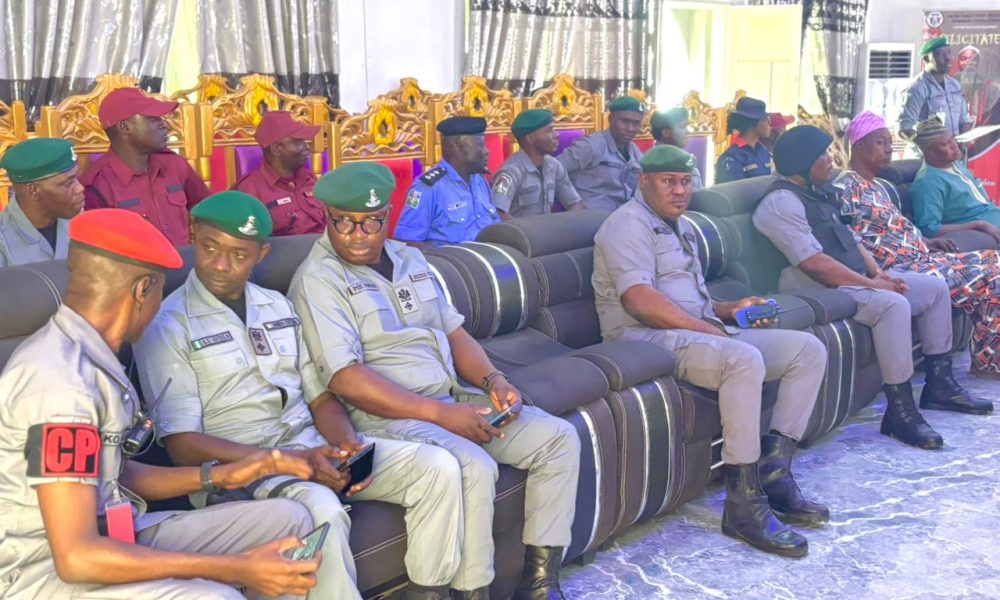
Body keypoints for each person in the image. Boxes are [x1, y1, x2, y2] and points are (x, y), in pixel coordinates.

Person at [133, 191, 465, 600]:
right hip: (241, 470)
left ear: (261, 254)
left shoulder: (277, 306)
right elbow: (182, 445)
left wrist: (347, 446)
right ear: (193, 237)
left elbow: (319, 397)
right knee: (322, 511)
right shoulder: (168, 324)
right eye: (209, 248)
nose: (220, 265)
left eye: (239, 255)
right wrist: (286, 461)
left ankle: (429, 593)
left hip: (311, 448)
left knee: (436, 467)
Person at [288, 163, 581, 600]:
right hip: (388, 417)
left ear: (388, 215)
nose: (357, 235)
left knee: (558, 438)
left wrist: (494, 379)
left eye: (371, 222)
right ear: (326, 217)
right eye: (343, 222)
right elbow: (345, 379)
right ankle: (472, 592)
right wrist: (441, 415)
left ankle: (539, 585)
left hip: (452, 398)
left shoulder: (410, 258)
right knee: (473, 466)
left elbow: (454, 332)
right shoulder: (317, 280)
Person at [0, 208, 322, 599]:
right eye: (159, 292)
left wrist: (221, 475)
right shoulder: (61, 386)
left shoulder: (94, 357)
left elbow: (112, 474)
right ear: (143, 290)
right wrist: (237, 569)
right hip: (45, 573)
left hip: (115, 532)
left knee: (288, 519)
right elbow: (76, 557)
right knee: (217, 597)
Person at [592, 144, 828, 558]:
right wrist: (712, 332)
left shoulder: (678, 224)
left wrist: (731, 310)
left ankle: (774, 473)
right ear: (643, 181)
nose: (680, 190)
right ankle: (743, 505)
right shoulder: (627, 225)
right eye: (668, 181)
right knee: (743, 358)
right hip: (642, 339)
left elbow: (689, 300)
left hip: (693, 332)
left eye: (686, 181)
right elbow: (640, 302)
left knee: (806, 350)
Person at [753, 125, 989, 450]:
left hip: (852, 278)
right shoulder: (781, 203)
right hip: (817, 287)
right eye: (822, 155)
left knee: (934, 288)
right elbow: (814, 264)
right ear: (802, 161)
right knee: (893, 304)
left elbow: (852, 241)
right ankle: (900, 412)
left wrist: (879, 275)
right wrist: (872, 285)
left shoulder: (819, 191)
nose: (830, 160)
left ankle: (940, 385)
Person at [836, 111, 1000, 383]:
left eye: (890, 142)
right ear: (860, 145)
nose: (889, 148)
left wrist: (924, 241)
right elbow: (850, 238)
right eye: (881, 142)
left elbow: (885, 231)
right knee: (994, 275)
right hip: (901, 271)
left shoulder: (876, 186)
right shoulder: (846, 187)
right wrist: (875, 273)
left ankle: (989, 358)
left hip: (922, 258)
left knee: (995, 262)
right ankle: (988, 364)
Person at [81, 87, 210, 246]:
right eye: (153, 119)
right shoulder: (97, 185)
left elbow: (209, 210)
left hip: (184, 260)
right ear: (124, 127)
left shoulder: (174, 165)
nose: (164, 125)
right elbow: (97, 249)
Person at [395, 116, 499, 246]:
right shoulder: (427, 188)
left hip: (487, 254)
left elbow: (494, 224)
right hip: (452, 258)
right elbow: (406, 241)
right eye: (481, 146)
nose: (487, 152)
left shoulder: (479, 180)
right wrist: (446, 257)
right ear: (459, 148)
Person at [233, 111, 326, 236]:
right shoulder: (249, 190)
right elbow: (246, 240)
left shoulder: (310, 179)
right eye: (299, 142)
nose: (307, 147)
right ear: (276, 149)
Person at [909, 116, 1000, 243]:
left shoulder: (954, 164)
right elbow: (930, 229)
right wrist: (979, 225)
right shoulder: (927, 183)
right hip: (983, 235)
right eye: (945, 144)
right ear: (929, 152)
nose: (954, 145)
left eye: (952, 139)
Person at [0, 138, 83, 267]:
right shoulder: (3, 242)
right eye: (68, 183)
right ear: (33, 190)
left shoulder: (79, 219)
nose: (80, 188)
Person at [490, 109, 583, 218]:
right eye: (549, 131)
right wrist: (521, 229)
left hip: (547, 228)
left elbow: (574, 203)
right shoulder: (510, 172)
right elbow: (498, 214)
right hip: (520, 229)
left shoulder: (554, 165)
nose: (556, 135)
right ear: (531, 138)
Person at [557, 96, 644, 211]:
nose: (630, 128)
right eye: (624, 121)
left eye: (636, 123)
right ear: (610, 119)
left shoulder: (635, 151)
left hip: (623, 214)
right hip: (590, 215)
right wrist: (573, 203)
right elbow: (553, 171)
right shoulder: (590, 146)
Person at [898, 37, 973, 141]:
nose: (948, 58)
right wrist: (930, 146)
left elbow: (964, 119)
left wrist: (961, 143)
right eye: (940, 54)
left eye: (949, 53)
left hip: (954, 150)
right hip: (928, 151)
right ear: (926, 59)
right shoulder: (917, 88)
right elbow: (904, 128)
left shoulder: (954, 85)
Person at [715, 97, 773, 184]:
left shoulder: (763, 151)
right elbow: (732, 189)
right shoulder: (732, 156)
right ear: (753, 123)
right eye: (766, 121)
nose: (769, 126)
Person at [650, 107, 703, 191]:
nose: (687, 132)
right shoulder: (652, 163)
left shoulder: (685, 159)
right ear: (666, 132)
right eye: (682, 127)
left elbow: (697, 192)